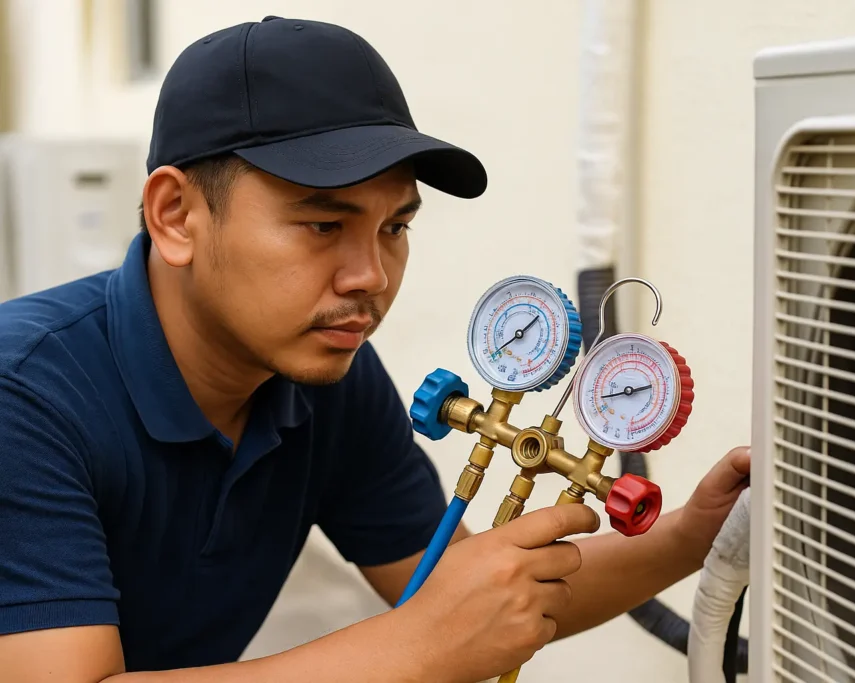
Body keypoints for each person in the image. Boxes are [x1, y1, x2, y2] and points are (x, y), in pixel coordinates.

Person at [0, 15, 751, 683]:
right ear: (176, 216)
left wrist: (694, 533)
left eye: (395, 228)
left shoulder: (324, 377)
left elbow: (464, 593)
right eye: (323, 225)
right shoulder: (25, 394)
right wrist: (411, 650)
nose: (370, 278)